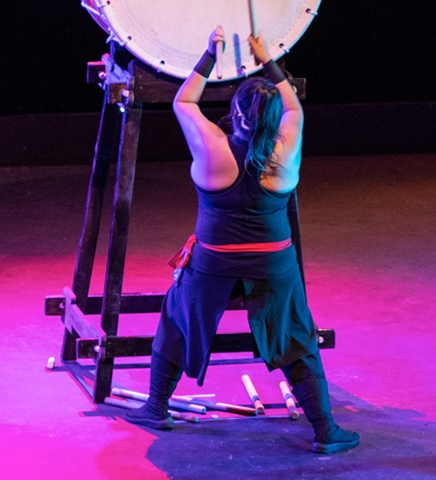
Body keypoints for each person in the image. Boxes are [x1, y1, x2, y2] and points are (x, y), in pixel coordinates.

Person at [124, 27, 360, 455]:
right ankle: (326, 432)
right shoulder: (287, 148)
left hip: (213, 263)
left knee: (178, 316)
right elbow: (291, 104)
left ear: (237, 113)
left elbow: (183, 101)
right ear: (271, 120)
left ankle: (157, 408)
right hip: (273, 266)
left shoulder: (213, 148)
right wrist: (268, 58)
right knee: (296, 337)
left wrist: (209, 56)